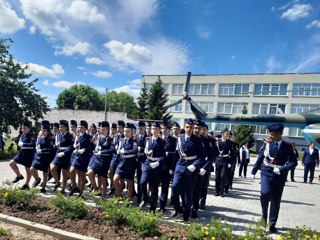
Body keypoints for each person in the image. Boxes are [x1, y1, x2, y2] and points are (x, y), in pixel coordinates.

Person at [251, 123, 297, 233]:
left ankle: (272, 224)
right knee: (265, 193)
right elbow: (260, 157)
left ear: (279, 134)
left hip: (279, 175)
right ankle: (264, 218)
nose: (270, 136)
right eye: (270, 134)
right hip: (266, 172)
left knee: (276, 200)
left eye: (272, 134)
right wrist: (253, 171)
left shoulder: (287, 146)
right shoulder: (267, 144)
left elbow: (293, 162)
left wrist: (282, 169)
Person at [170, 118, 205, 223]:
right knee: (175, 187)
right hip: (179, 166)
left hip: (191, 168)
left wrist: (195, 165)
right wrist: (172, 168)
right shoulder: (179, 138)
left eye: (191, 127)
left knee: (188, 193)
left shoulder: (198, 140)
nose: (189, 129)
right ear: (184, 127)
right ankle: (177, 208)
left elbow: (202, 156)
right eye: (187, 127)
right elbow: (176, 154)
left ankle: (186, 217)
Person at [139, 122, 166, 212]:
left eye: (156, 129)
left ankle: (152, 208)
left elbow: (163, 156)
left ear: (159, 130)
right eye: (153, 129)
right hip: (147, 162)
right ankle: (145, 198)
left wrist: (157, 163)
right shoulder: (147, 139)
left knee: (154, 187)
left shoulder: (162, 142)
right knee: (142, 182)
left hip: (156, 164)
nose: (154, 131)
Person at [87, 121, 115, 198]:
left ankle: (103, 196)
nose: (102, 131)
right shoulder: (98, 137)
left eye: (104, 130)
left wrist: (102, 152)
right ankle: (96, 188)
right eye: (101, 129)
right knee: (89, 173)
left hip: (104, 161)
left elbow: (113, 149)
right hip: (96, 159)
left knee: (103, 179)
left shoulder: (109, 139)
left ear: (107, 130)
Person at [113, 123, 138, 199]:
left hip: (130, 163)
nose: (125, 133)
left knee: (129, 183)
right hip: (121, 162)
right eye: (125, 131)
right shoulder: (122, 140)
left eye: (127, 132)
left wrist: (124, 152)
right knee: (115, 180)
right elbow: (118, 151)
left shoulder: (134, 141)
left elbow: (135, 150)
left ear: (131, 132)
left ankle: (128, 199)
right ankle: (119, 195)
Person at [9, 119, 35, 189]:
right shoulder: (22, 135)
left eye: (25, 128)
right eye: (22, 128)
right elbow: (18, 141)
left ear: (29, 128)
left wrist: (23, 144)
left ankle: (26, 184)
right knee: (11, 163)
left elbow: (33, 145)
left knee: (27, 170)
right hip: (22, 153)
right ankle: (19, 176)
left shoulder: (31, 135)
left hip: (29, 155)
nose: (23, 129)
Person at [69, 120, 92, 196]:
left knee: (81, 175)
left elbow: (92, 148)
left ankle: (81, 192)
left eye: (81, 127)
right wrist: (75, 148)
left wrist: (84, 150)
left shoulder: (88, 137)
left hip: (84, 158)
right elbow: (75, 145)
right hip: (77, 156)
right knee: (71, 171)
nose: (79, 129)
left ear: (85, 128)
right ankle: (74, 187)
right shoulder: (78, 136)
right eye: (78, 127)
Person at [50, 120, 73, 194]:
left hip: (65, 155)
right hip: (58, 154)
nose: (60, 128)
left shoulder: (69, 136)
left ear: (66, 128)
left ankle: (63, 189)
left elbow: (72, 147)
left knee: (64, 173)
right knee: (52, 168)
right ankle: (57, 182)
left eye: (62, 127)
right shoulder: (58, 135)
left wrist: (64, 153)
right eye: (59, 127)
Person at [158, 120, 177, 212]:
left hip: (166, 166)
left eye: (165, 128)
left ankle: (162, 207)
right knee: (154, 186)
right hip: (156, 166)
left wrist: (168, 153)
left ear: (169, 129)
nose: (163, 130)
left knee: (164, 187)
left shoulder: (173, 140)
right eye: (162, 128)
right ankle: (154, 205)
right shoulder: (157, 138)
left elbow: (175, 153)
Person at [30, 121, 54, 192]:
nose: (42, 131)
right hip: (38, 156)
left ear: (47, 132)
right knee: (32, 169)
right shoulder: (39, 137)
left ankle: (43, 187)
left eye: (44, 130)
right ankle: (37, 179)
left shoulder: (49, 138)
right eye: (41, 130)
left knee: (45, 172)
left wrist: (41, 150)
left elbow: (49, 149)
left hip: (46, 157)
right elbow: (36, 145)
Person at [214, 128, 232, 197]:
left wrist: (230, 162)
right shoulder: (218, 142)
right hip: (218, 160)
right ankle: (217, 191)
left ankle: (222, 191)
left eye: (228, 134)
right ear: (223, 134)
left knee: (222, 176)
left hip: (225, 160)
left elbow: (231, 152)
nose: (228, 135)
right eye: (226, 133)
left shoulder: (229, 142)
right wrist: (215, 160)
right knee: (217, 177)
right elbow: (215, 151)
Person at [134, 121, 147, 204]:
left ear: (145, 128)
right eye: (139, 128)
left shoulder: (148, 137)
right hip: (137, 160)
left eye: (141, 128)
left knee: (143, 180)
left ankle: (145, 197)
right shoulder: (136, 137)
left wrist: (140, 149)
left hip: (144, 160)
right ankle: (139, 198)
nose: (140, 129)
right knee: (138, 180)